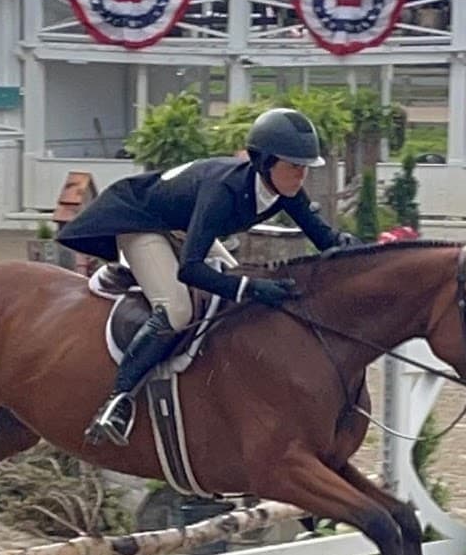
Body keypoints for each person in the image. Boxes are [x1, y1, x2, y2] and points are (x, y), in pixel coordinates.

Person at [57, 108, 358, 445]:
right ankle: (118, 401)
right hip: (143, 223)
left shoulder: (284, 191)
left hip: (186, 228)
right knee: (178, 310)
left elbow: (326, 240)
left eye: (304, 167)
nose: (300, 175)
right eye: (293, 166)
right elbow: (191, 269)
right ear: (264, 163)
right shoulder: (223, 191)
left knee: (234, 288)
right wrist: (251, 288)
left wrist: (361, 252)